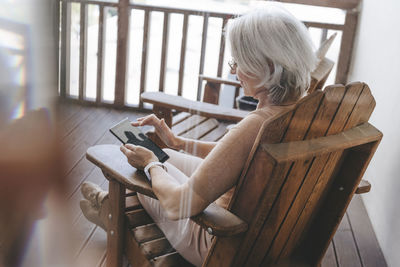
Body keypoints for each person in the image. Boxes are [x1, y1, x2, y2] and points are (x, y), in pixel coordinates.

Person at [80, 3, 317, 266]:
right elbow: (234, 155)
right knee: (167, 154)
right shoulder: (303, 112)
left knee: (142, 169)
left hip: (216, 240)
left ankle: (109, 210)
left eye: (238, 62)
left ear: (268, 67)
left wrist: (149, 165)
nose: (232, 70)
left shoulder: (257, 126)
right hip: (268, 232)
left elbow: (178, 204)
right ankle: (110, 203)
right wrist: (179, 142)